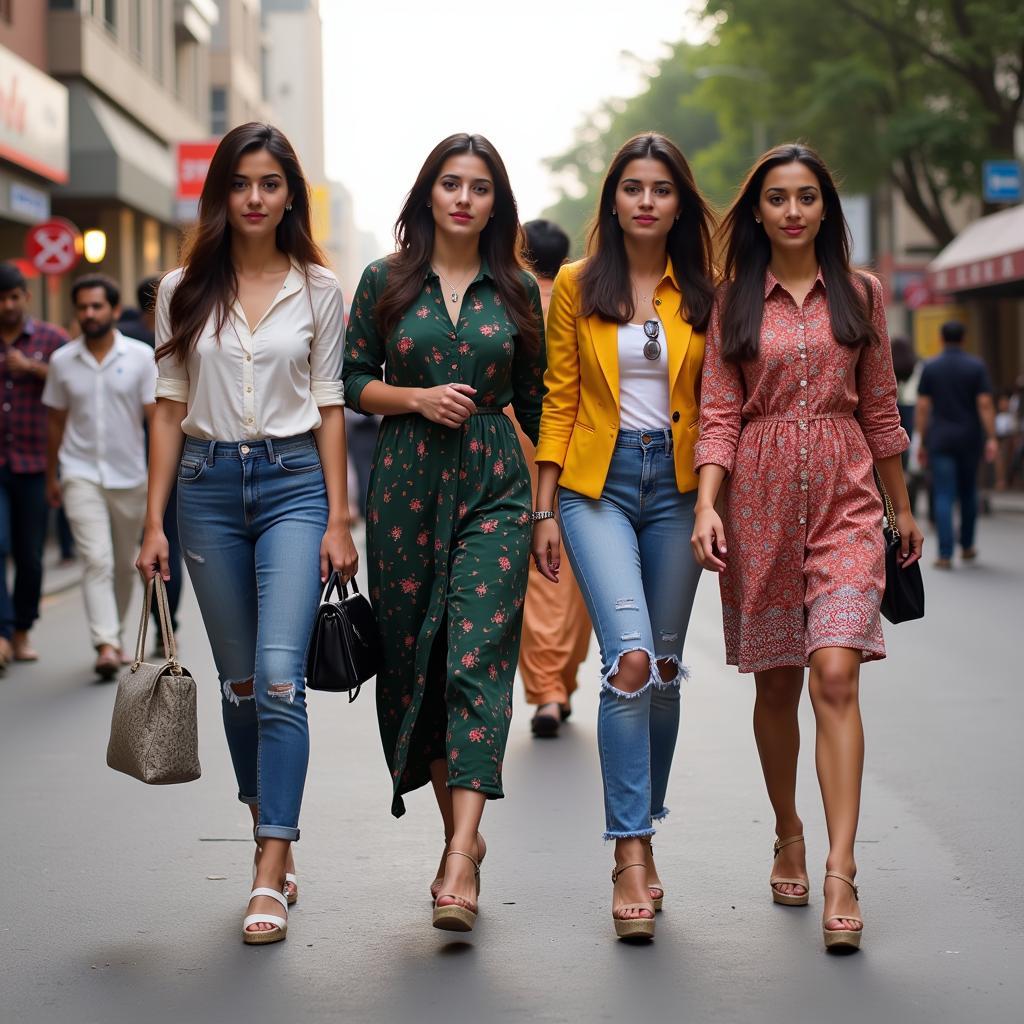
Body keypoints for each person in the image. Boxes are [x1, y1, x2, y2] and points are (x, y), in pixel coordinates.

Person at [692, 143, 923, 953]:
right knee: (777, 685)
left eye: (808, 197)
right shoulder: (732, 303)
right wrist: (709, 507)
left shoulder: (861, 294)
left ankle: (839, 866)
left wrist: (901, 508)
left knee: (835, 673)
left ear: (827, 209)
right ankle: (787, 827)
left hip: (846, 501)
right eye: (778, 198)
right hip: (755, 503)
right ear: (757, 211)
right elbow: (719, 412)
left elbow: (881, 407)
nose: (793, 211)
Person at [135, 122, 357, 946]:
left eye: (270, 183)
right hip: (206, 488)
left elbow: (331, 404)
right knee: (235, 686)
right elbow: (167, 406)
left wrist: (339, 516)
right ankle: (268, 816)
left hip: (296, 484)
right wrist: (152, 520)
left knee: (276, 679)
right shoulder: (181, 288)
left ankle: (270, 863)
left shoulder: (320, 290)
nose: (256, 197)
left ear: (290, 193)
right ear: (221, 194)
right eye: (241, 184)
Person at [342, 133, 545, 934]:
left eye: (480, 186)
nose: (464, 197)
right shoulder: (384, 281)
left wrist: (554, 506)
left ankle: (460, 858)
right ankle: (458, 835)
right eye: (450, 183)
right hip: (402, 486)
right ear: (429, 193)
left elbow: (538, 405)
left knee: (476, 654)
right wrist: (417, 398)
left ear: (497, 202)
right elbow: (353, 381)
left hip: (495, 483)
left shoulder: (519, 289)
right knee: (414, 664)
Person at [533, 133, 715, 940]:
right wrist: (544, 507)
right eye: (633, 187)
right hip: (595, 486)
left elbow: (723, 404)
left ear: (679, 203)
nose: (647, 200)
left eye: (662, 189)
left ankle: (647, 819)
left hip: (678, 490)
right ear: (613, 198)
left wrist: (717, 499)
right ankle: (631, 851)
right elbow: (560, 397)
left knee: (666, 672)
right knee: (630, 661)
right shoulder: (578, 284)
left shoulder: (708, 290)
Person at [42, 274, 156, 679]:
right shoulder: (61, 361)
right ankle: (105, 643)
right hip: (80, 472)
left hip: (130, 476)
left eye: (97, 306)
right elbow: (55, 422)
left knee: (126, 564)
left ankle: (116, 635)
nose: (89, 314)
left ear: (111, 309)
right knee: (96, 559)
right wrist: (51, 474)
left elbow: (154, 421)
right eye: (83, 307)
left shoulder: (141, 357)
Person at [513, 219, 591, 737]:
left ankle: (546, 688)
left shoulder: (510, 301)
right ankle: (558, 681)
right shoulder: (580, 297)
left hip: (519, 442)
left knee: (533, 573)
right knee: (575, 572)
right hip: (577, 441)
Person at [0, 262, 68, 672]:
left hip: (33, 463)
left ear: (26, 297)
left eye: (13, 297)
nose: (6, 305)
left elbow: (74, 387)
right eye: (0, 299)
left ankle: (22, 629)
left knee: (30, 555)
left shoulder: (51, 339)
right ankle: (4, 633)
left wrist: (34, 369)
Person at [120, 275, 184, 642]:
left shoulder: (123, 341)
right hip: (169, 451)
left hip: (133, 455)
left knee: (145, 541)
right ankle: (165, 625)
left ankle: (155, 623)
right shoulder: (160, 340)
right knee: (166, 541)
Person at [915, 321, 998, 567]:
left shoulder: (931, 367)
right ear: (964, 339)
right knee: (968, 491)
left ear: (941, 339)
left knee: (943, 494)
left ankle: (944, 553)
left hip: (940, 438)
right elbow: (984, 404)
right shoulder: (976, 366)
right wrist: (991, 436)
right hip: (970, 438)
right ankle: (968, 545)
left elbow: (922, 406)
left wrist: (921, 439)